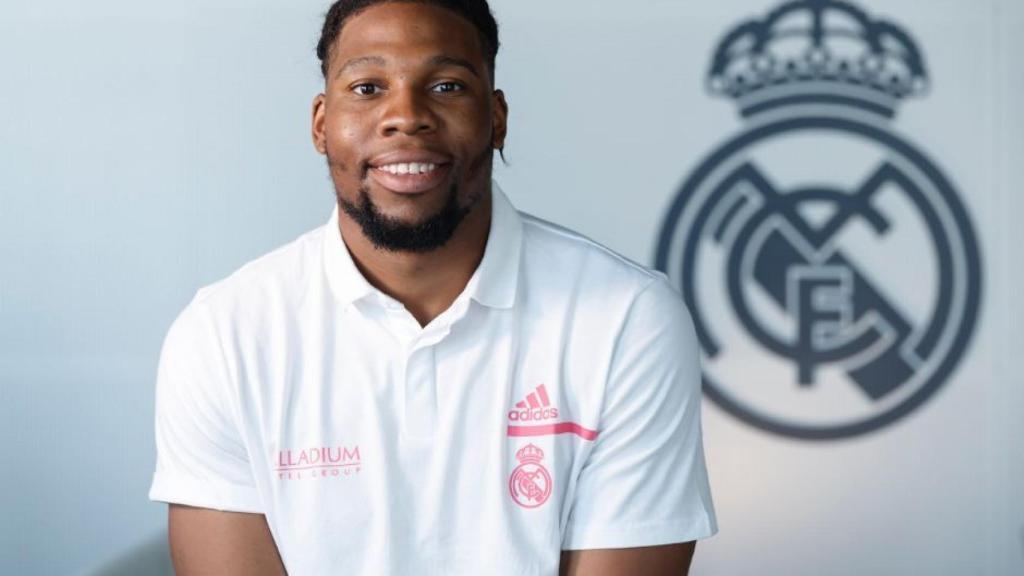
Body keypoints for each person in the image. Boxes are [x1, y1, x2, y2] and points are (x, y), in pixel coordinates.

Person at [148, 1, 717, 574]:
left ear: (497, 118)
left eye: (446, 86)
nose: (407, 115)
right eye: (368, 87)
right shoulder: (225, 333)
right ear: (322, 124)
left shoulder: (627, 320)